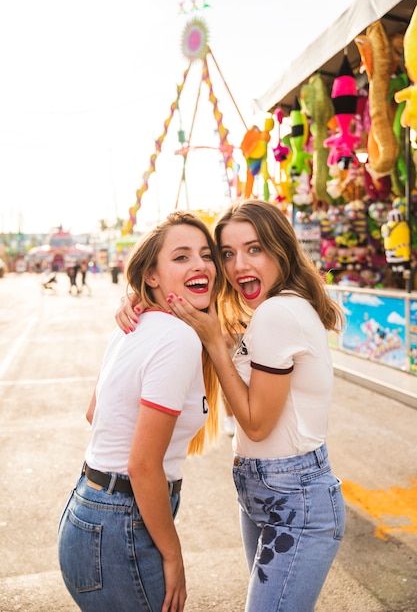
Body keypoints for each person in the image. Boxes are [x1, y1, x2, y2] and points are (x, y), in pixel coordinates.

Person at [116, 199, 346, 612]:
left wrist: (212, 343)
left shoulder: (278, 312)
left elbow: (257, 424)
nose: (239, 265)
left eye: (254, 249)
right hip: (265, 491)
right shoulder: (267, 311)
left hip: (293, 497)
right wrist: (143, 300)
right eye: (227, 253)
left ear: (281, 249)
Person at [58, 210, 223, 612]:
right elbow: (143, 466)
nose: (200, 265)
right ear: (152, 275)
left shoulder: (134, 324)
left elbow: (94, 414)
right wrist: (173, 555)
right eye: (181, 257)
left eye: (206, 254)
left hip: (88, 513)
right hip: (121, 524)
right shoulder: (176, 338)